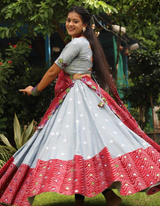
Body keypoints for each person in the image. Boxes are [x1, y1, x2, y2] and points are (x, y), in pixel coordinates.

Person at [0, 6, 160, 206]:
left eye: (75, 21)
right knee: (82, 146)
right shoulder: (85, 43)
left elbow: (52, 71)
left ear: (84, 25)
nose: (70, 24)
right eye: (68, 20)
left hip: (79, 97)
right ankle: (105, 197)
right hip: (83, 95)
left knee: (78, 145)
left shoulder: (76, 44)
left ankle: (101, 197)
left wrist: (35, 90)